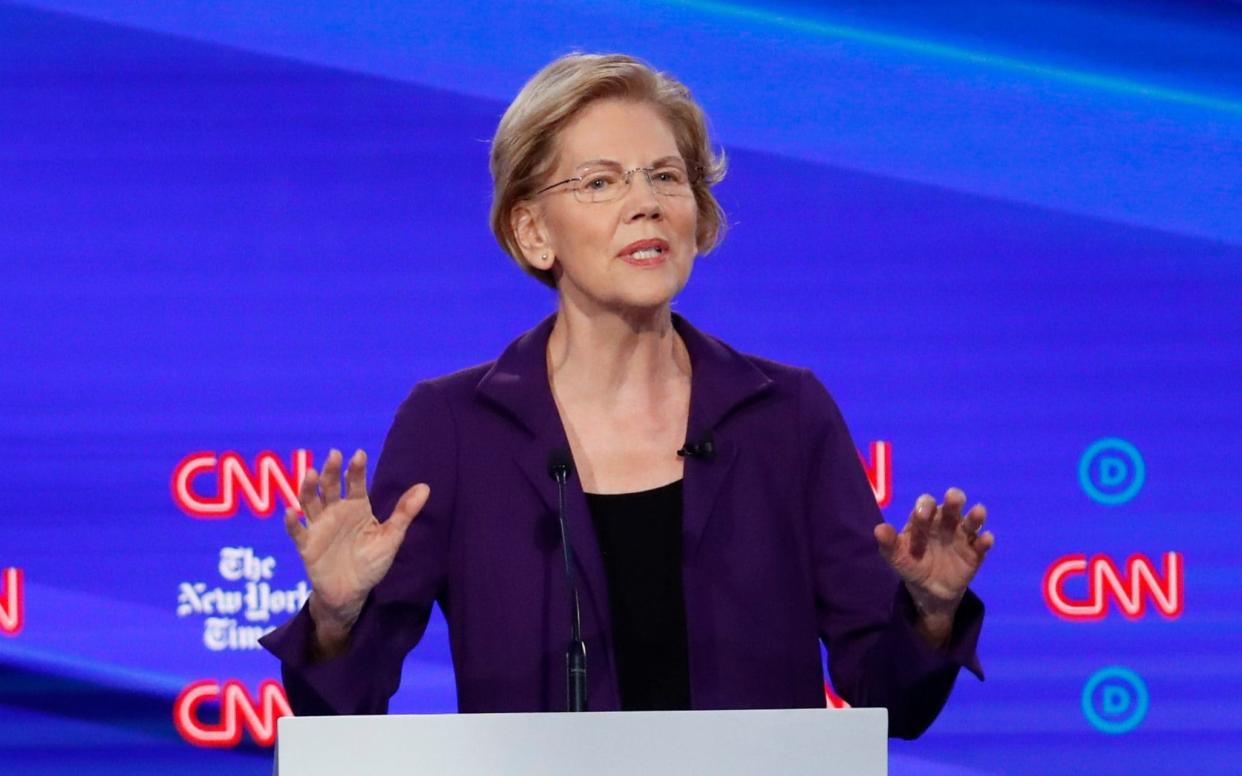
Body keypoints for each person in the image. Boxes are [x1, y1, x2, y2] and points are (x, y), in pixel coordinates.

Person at [260, 52, 994, 739]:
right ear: (532, 231)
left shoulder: (786, 417)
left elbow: (889, 702)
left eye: (667, 177)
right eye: (601, 182)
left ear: (699, 217)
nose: (646, 204)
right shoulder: (456, 427)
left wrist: (930, 615)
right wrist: (336, 613)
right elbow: (342, 713)